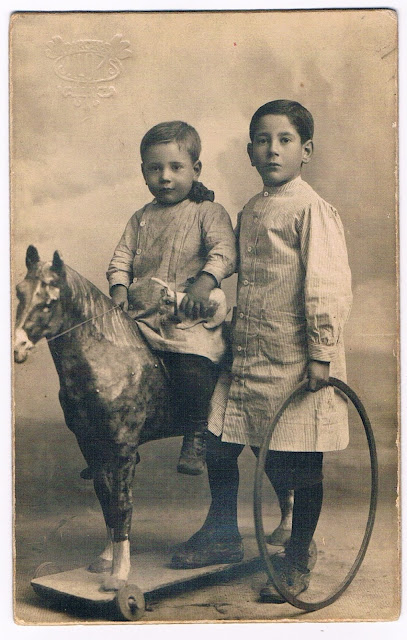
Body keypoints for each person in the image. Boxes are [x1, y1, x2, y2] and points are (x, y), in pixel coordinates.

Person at [171, 100, 352, 603]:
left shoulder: (311, 210)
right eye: (262, 140)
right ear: (250, 151)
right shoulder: (251, 209)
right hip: (248, 355)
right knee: (218, 445)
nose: (273, 150)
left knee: (300, 463)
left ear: (306, 150)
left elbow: (327, 286)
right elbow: (232, 262)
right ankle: (222, 531)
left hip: (296, 359)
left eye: (285, 140)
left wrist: (321, 353)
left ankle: (297, 556)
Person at [106, 121, 236, 476]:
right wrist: (119, 290)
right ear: (143, 172)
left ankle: (196, 432)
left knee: (191, 367)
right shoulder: (141, 218)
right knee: (111, 369)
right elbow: (121, 259)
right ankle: (115, 442)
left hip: (186, 319)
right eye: (155, 168)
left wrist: (204, 282)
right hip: (142, 317)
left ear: (196, 169)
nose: (165, 177)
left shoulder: (208, 212)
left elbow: (225, 251)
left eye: (176, 167)